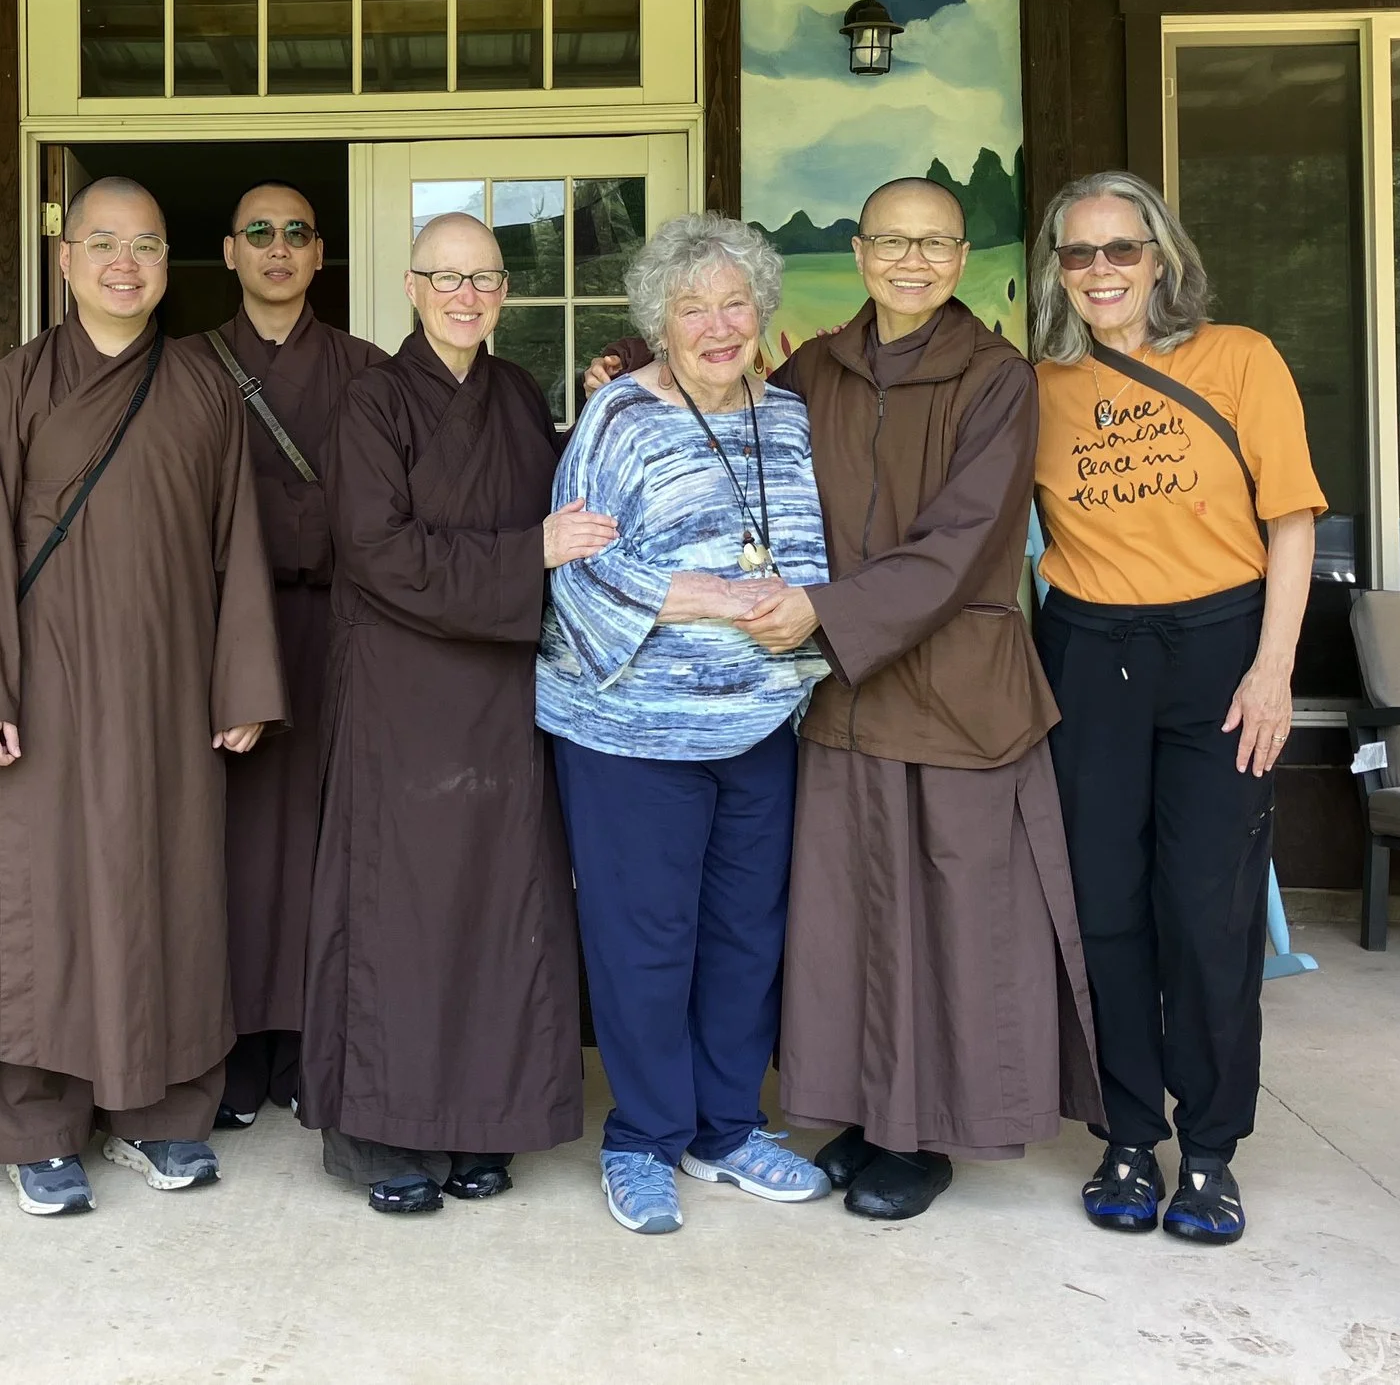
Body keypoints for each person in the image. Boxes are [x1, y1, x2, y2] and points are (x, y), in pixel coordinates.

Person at [0, 177, 287, 1216]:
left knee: (164, 892)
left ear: (170, 264)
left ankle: (161, 1116)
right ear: (66, 262)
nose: (125, 263)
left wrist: (242, 681)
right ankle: (37, 1127)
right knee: (36, 901)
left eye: (148, 245)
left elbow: (237, 547)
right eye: (104, 243)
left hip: (171, 690)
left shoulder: (206, 388)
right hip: (42, 688)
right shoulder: (17, 387)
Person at [752, 180, 1096, 1222]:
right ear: (858, 252)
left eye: (935, 243)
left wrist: (820, 612)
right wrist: (639, 377)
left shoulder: (997, 379)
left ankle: (930, 1133)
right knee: (853, 916)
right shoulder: (814, 368)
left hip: (956, 693)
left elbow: (961, 545)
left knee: (952, 916)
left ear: (961, 257)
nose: (913, 260)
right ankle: (865, 1114)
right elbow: (736, 435)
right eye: (892, 241)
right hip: (845, 696)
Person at [1029, 169, 1322, 1246]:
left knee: (1208, 910)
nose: (1100, 270)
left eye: (1120, 249)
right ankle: (1122, 1135)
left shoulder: (1239, 358)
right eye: (1078, 253)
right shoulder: (1040, 382)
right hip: (1087, 651)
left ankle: (1207, 1151)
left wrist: (1274, 667)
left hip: (1219, 652)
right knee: (1102, 906)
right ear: (1055, 270)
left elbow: (1290, 519)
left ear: (1159, 257)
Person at [300, 211, 610, 1216]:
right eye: (447, 277)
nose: (467, 296)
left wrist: (600, 416)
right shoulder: (373, 401)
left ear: (505, 294)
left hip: (502, 696)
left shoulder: (517, 393)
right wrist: (529, 556)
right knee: (402, 912)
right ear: (410, 285)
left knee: (497, 908)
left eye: (485, 279)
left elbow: (558, 496)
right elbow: (376, 550)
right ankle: (379, 1133)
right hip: (402, 692)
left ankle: (484, 1121)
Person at [540, 213, 837, 1236]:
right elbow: (576, 564)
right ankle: (643, 1137)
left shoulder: (791, 417)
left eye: (734, 302)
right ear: (656, 322)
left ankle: (725, 1128)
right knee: (644, 941)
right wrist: (712, 597)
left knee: (746, 936)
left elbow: (819, 551)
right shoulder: (617, 418)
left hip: (761, 723)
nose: (717, 325)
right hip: (630, 732)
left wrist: (803, 610)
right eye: (690, 306)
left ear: (762, 311)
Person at [204, 181, 385, 1132]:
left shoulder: (368, 370)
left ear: (322, 256)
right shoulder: (188, 367)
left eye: (298, 234)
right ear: (229, 252)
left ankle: (322, 1042)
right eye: (260, 233)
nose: (279, 248)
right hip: (222, 635)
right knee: (231, 841)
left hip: (339, 632)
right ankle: (232, 1046)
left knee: (329, 839)